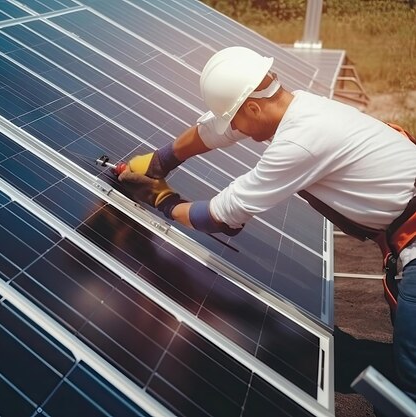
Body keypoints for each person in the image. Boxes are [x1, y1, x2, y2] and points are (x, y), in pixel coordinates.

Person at [118, 46, 416, 399]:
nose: (233, 129)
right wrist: (161, 161)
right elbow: (217, 130)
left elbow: (222, 216)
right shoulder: (302, 107)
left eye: (235, 118)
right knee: (396, 371)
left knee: (406, 388)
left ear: (254, 108)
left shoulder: (299, 142)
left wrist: (160, 199)